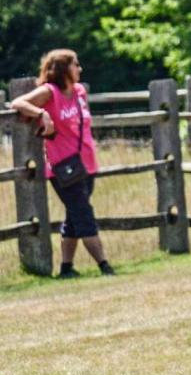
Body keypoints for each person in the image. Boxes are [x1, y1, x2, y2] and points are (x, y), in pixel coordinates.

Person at [9, 50, 114, 277]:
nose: (79, 69)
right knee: (84, 214)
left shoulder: (79, 92)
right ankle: (104, 265)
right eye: (75, 64)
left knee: (74, 216)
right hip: (63, 166)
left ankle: (66, 268)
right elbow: (17, 102)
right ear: (62, 69)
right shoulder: (50, 92)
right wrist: (42, 114)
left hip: (86, 163)